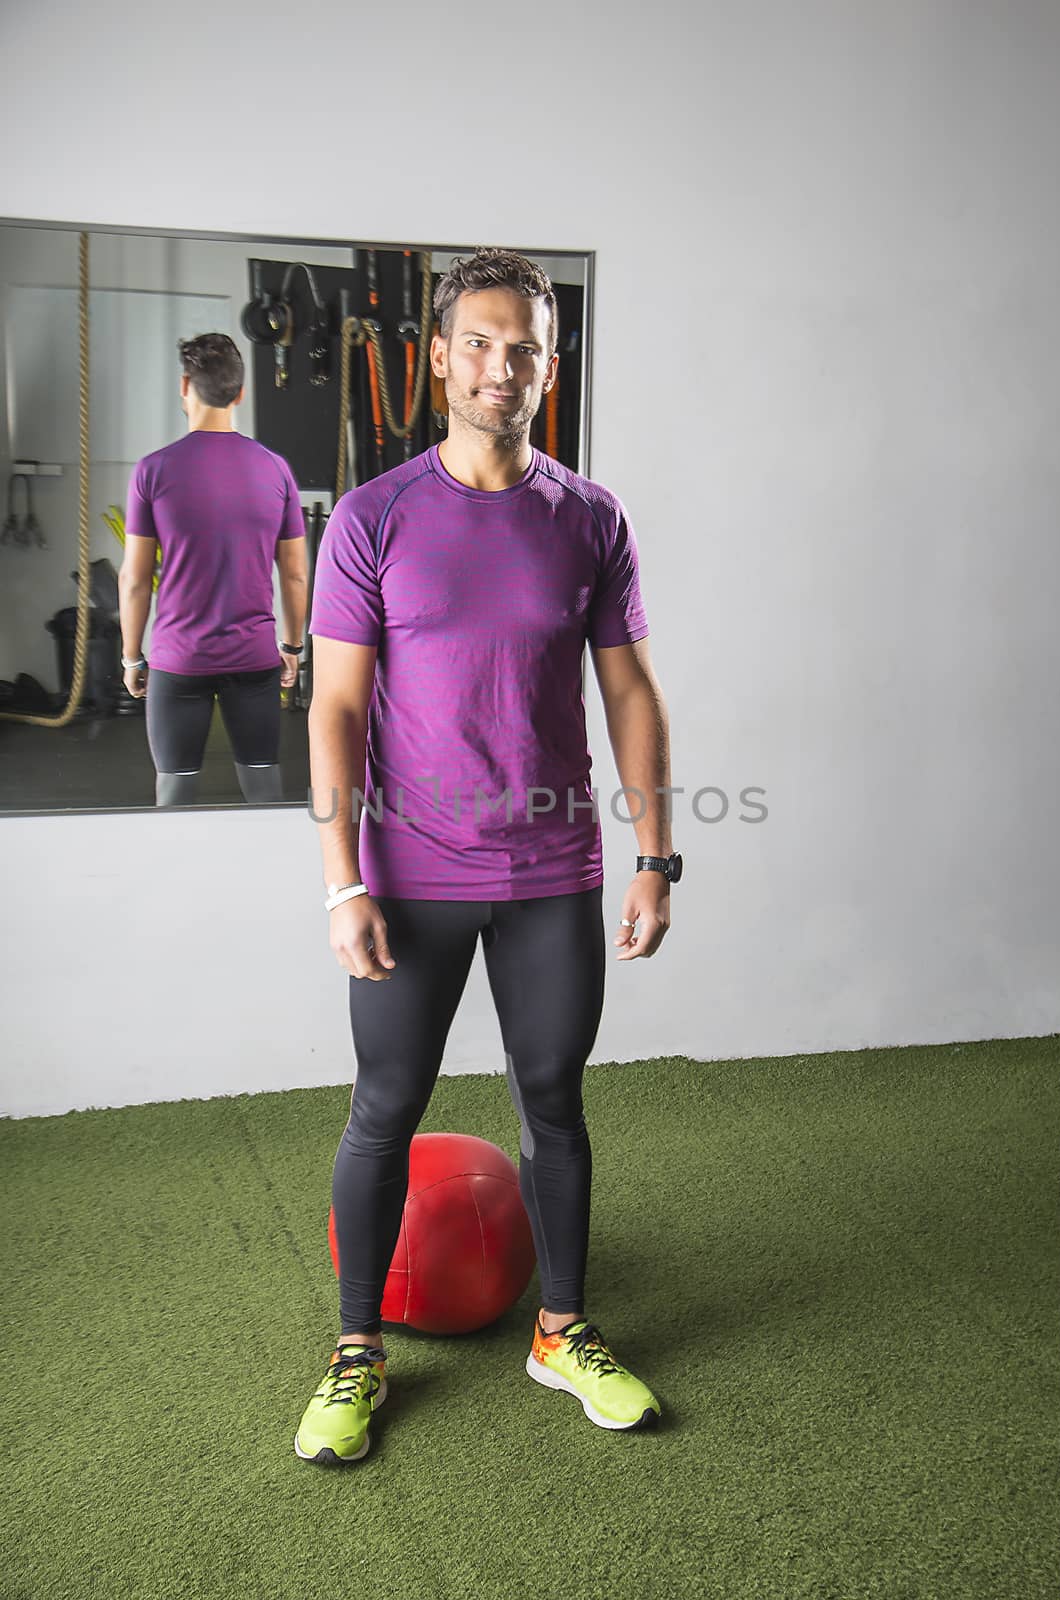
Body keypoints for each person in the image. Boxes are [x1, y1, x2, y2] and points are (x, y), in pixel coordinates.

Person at [297, 248, 682, 1465]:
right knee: (383, 1109)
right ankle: (356, 1352)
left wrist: (654, 856)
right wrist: (342, 878)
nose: (499, 365)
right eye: (477, 341)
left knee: (554, 1104)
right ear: (437, 355)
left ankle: (558, 1331)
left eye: (523, 347)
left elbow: (630, 694)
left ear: (547, 367)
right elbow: (337, 712)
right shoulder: (375, 515)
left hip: (549, 876)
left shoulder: (590, 516)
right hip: (408, 876)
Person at [118, 333, 309, 806]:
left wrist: (131, 658)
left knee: (174, 793)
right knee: (264, 793)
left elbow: (135, 579)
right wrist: (292, 646)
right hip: (253, 658)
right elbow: (296, 574)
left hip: (178, 661)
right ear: (239, 393)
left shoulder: (152, 470)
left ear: (186, 385)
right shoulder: (276, 469)